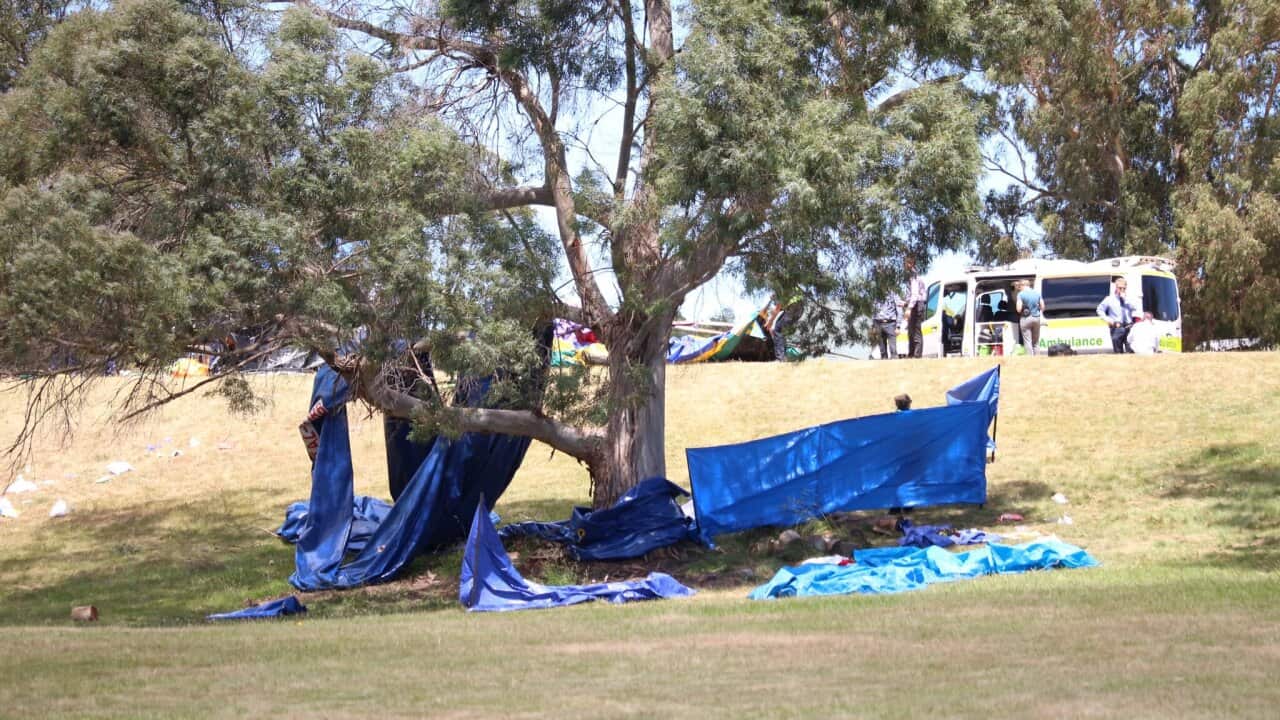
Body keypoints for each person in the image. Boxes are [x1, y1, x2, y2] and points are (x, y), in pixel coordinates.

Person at [1096, 277, 1140, 353]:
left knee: (1131, 351)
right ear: (1116, 287)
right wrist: (1109, 320)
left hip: (1129, 327)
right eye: (1120, 288)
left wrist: (1125, 299)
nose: (1122, 290)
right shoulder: (1109, 299)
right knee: (1118, 353)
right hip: (1117, 327)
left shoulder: (1129, 298)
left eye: (1124, 288)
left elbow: (1135, 308)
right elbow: (1099, 310)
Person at [903, 257, 926, 359]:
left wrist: (909, 308)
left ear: (911, 264)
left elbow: (915, 294)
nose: (905, 266)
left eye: (906, 263)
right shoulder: (912, 276)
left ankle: (917, 355)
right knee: (911, 331)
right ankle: (912, 354)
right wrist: (905, 303)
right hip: (914, 304)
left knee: (916, 331)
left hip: (916, 305)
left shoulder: (914, 276)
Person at [1015, 280, 1045, 355]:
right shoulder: (1037, 293)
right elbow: (1043, 307)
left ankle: (1030, 358)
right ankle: (1037, 358)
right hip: (1036, 318)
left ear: (1022, 285)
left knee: (1027, 341)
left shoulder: (1021, 294)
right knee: (1036, 342)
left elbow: (1018, 309)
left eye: (1020, 287)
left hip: (1025, 319)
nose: (1019, 288)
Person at [872, 289, 901, 360]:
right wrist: (873, 325)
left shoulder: (894, 295)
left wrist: (898, 326)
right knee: (882, 351)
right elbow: (873, 310)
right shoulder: (876, 294)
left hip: (890, 323)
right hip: (878, 323)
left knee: (893, 350)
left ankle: (895, 362)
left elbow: (899, 310)